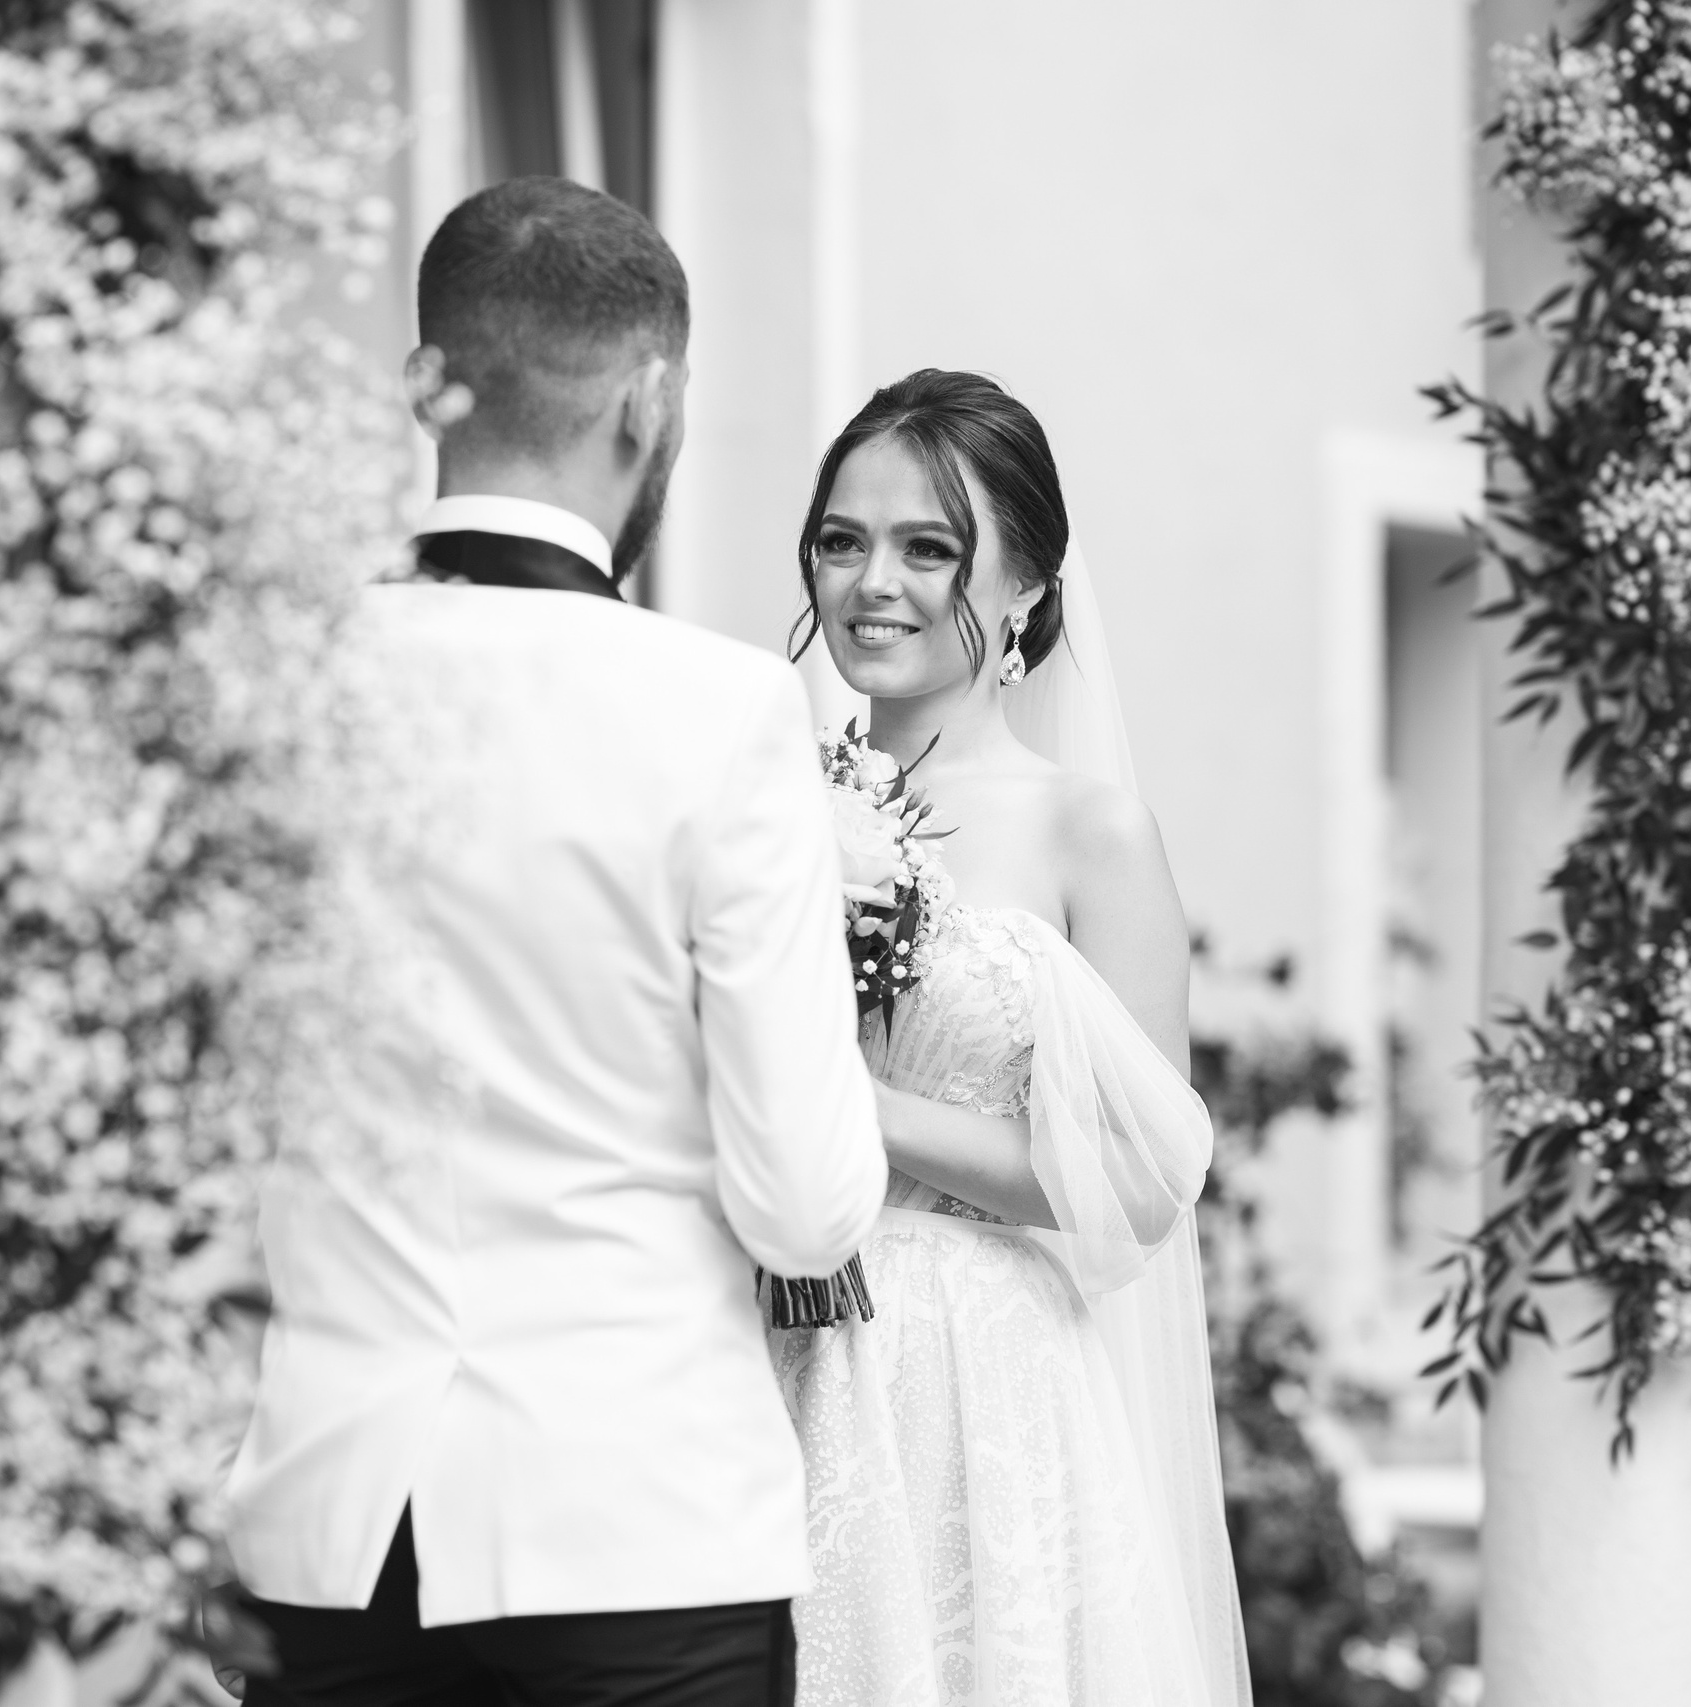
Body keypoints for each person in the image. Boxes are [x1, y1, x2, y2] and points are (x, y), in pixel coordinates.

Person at [206, 177, 889, 1707]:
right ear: (649, 403)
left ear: (421, 385)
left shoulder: (267, 689)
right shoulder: (720, 714)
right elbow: (802, 1204)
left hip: (329, 1539)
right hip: (638, 1537)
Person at [770, 369, 1253, 1707]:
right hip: (762, 1354)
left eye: (932, 547)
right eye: (842, 540)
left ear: (1031, 585)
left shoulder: (1087, 831)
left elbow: (1144, 1177)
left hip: (975, 1382)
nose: (876, 582)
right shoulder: (756, 800)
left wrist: (844, 1103)